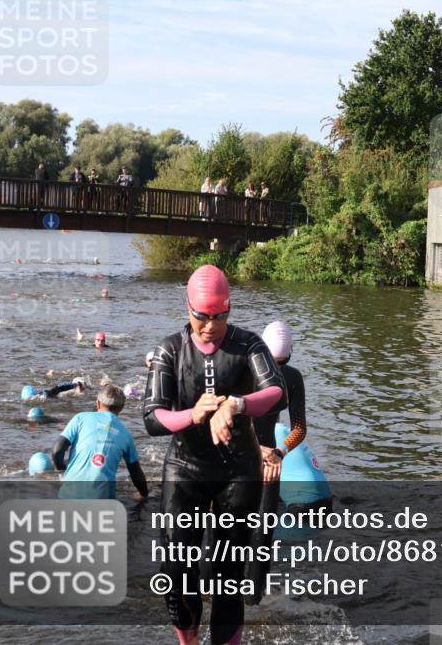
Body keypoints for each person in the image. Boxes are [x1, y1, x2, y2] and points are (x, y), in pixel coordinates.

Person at [143, 264, 285, 645]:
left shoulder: (248, 344)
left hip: (237, 470)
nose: (209, 325)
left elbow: (276, 391)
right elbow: (152, 418)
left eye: (218, 316)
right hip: (186, 467)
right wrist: (193, 414)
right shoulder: (170, 349)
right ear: (187, 309)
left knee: (227, 571)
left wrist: (234, 404)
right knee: (176, 569)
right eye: (201, 317)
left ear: (228, 310)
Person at [244, 320, 308, 604]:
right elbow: (299, 428)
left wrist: (264, 451)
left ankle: (216, 596)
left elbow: (235, 417)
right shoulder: (292, 377)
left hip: (245, 456)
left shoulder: (248, 370)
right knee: (262, 532)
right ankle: (254, 603)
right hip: (269, 461)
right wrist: (278, 452)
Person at [53, 384, 148, 501]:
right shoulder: (126, 435)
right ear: (121, 408)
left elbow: (57, 450)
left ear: (98, 403)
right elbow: (136, 473)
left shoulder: (80, 419)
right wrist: (144, 495)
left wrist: (62, 471)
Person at [22, 377, 86, 402]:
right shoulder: (44, 394)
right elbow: (59, 387)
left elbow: (59, 388)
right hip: (47, 394)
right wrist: (74, 385)